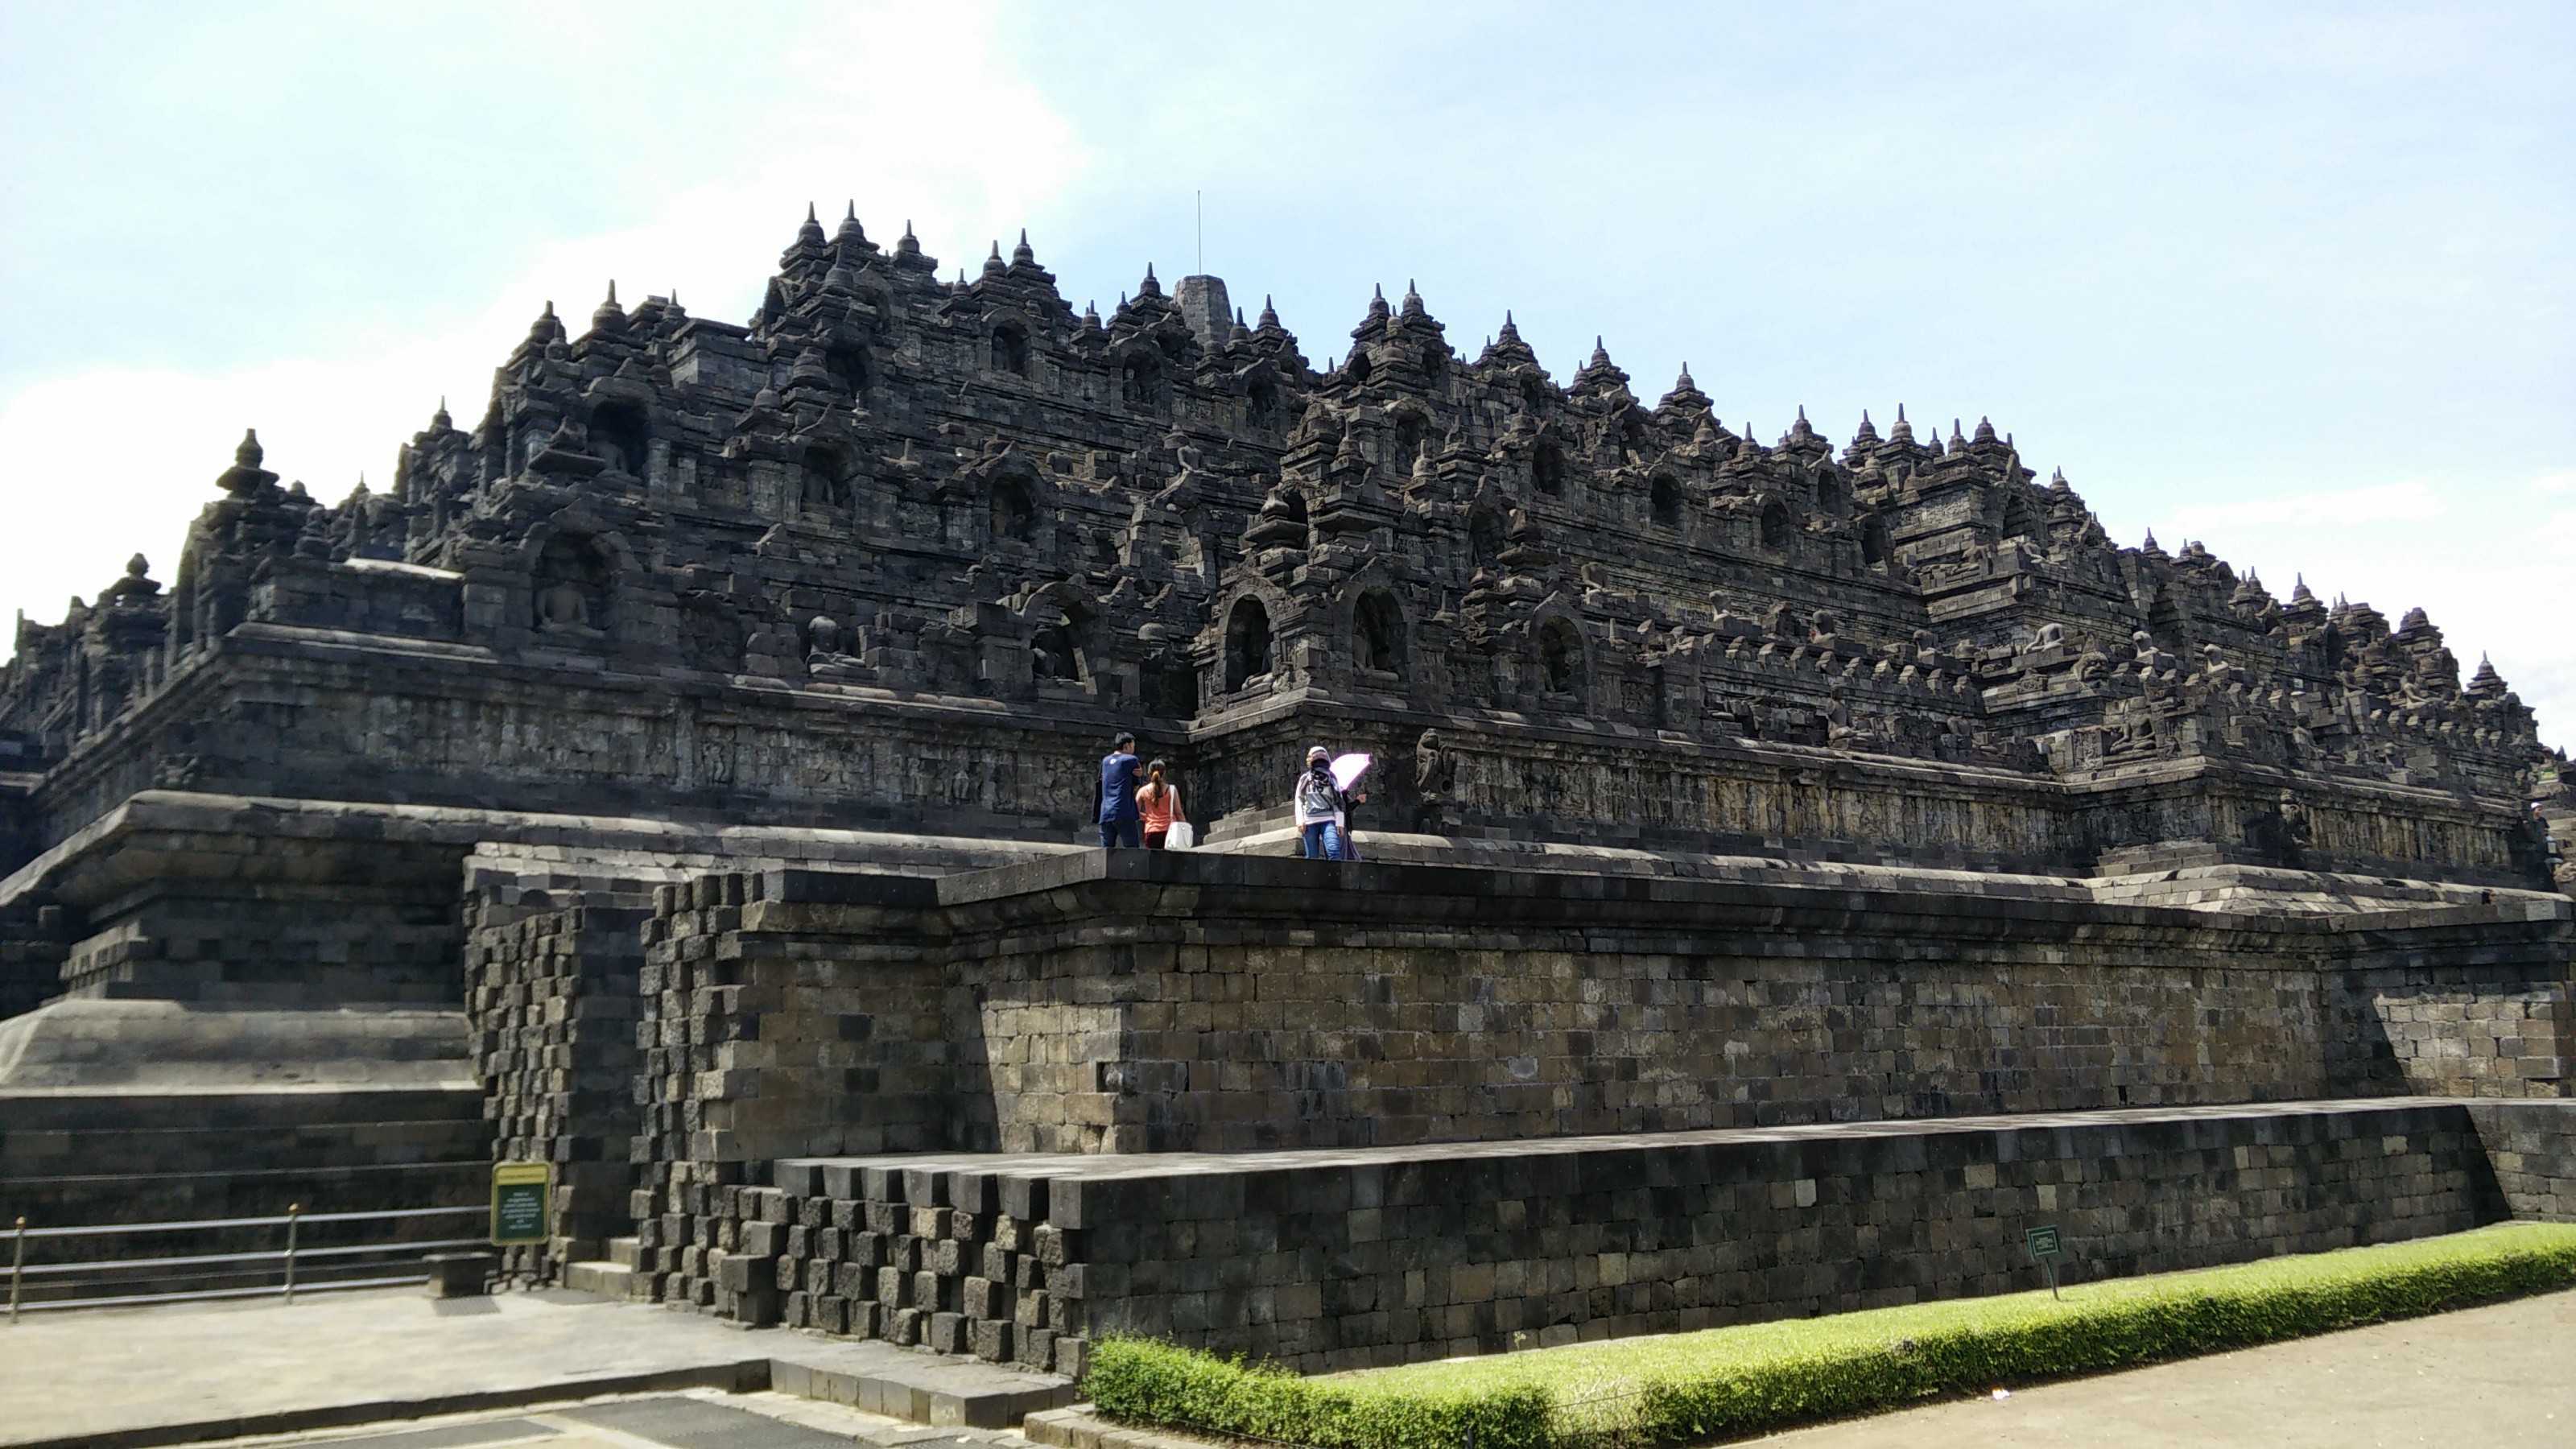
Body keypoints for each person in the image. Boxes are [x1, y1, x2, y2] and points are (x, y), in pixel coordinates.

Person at [1292, 745, 1364, 861]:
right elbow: (1299, 799)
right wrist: (1300, 821)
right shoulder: (1305, 778)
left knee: (1334, 853)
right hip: (1310, 821)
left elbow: (1338, 802)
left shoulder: (1331, 779)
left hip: (1329, 820)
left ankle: (1334, 878)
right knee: (1312, 857)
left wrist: (1340, 823)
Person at [1096, 730, 1143, 848]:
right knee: (1132, 850)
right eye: (1133, 746)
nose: (1133, 749)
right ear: (1126, 746)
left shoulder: (1105, 761)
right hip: (1124, 811)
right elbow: (1135, 785)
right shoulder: (1131, 760)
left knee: (1106, 852)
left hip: (1106, 812)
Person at [1137, 758, 1186, 849]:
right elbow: (1178, 812)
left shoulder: (1143, 791)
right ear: (1164, 773)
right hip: (1170, 831)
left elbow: (1134, 811)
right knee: (1170, 862)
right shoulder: (1172, 790)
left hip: (1151, 831)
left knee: (1154, 862)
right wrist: (1185, 827)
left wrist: (1147, 817)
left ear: (1149, 773)